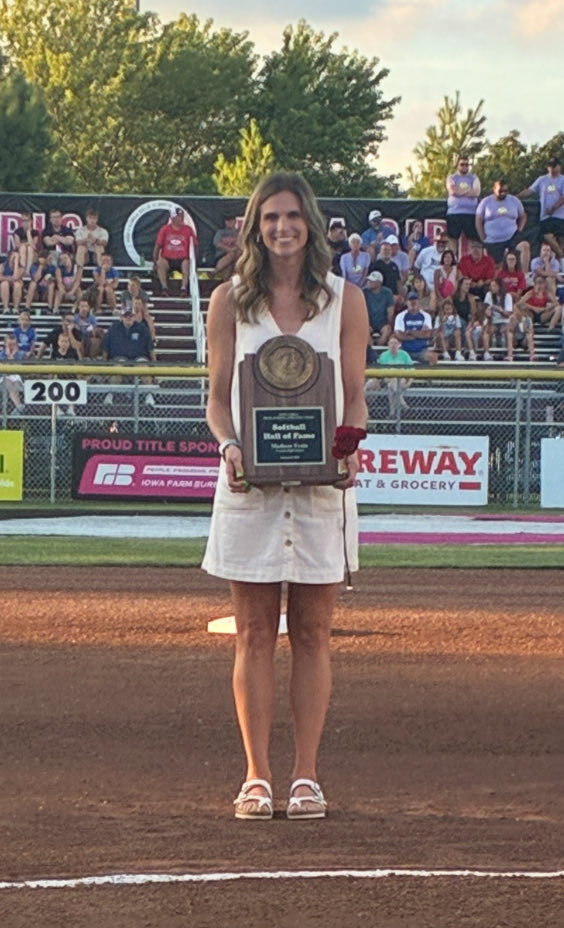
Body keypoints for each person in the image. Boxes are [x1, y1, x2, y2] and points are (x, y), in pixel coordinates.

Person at [202, 171, 367, 821]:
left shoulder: (344, 300)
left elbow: (354, 393)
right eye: (270, 217)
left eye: (293, 216)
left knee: (314, 631)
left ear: (311, 224)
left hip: (323, 490)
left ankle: (306, 776)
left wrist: (349, 443)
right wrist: (230, 447)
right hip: (249, 487)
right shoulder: (228, 302)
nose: (282, 227)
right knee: (251, 633)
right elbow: (218, 402)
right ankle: (256, 775)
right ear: (254, 226)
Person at [475, 178, 530, 271]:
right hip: (493, 240)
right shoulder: (485, 202)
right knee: (497, 267)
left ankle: (524, 277)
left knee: (524, 246)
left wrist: (519, 230)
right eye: (500, 191)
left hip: (512, 236)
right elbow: (478, 221)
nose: (503, 193)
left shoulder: (514, 200)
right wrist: (483, 238)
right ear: (494, 189)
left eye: (505, 191)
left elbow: (523, 216)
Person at [518, 157, 564, 259]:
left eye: (554, 166)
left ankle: (560, 264)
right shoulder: (542, 179)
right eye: (550, 166)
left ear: (559, 167)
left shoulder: (562, 180)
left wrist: (554, 207)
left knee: (561, 239)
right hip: (545, 216)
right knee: (547, 236)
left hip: (560, 216)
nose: (552, 168)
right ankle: (562, 257)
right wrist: (516, 197)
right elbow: (530, 190)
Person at [153, 207, 198, 298]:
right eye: (178, 216)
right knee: (161, 263)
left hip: (182, 259)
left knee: (186, 263)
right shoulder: (165, 229)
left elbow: (195, 246)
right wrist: (155, 260)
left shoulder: (188, 230)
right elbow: (158, 245)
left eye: (182, 216)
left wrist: (194, 261)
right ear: (173, 217)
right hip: (168, 258)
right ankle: (164, 288)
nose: (181, 218)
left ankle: (183, 288)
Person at [446, 154, 481, 251]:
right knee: (453, 238)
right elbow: (452, 191)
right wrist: (468, 190)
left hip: (471, 213)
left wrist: (460, 191)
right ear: (457, 165)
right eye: (462, 164)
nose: (465, 167)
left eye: (467, 165)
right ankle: (453, 261)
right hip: (454, 213)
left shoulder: (474, 177)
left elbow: (476, 192)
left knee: (472, 240)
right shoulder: (452, 178)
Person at [394, 291, 436, 363]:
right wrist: (419, 334)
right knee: (395, 356)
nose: (413, 302)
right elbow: (399, 334)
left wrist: (410, 332)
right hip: (405, 349)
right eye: (410, 300)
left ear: (419, 301)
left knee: (433, 357)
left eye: (415, 300)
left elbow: (427, 334)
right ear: (406, 302)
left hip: (422, 350)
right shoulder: (400, 316)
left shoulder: (426, 316)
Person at [378, 334, 414, 416]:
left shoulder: (404, 354)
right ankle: (402, 403)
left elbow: (412, 370)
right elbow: (383, 371)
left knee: (391, 387)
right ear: (388, 345)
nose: (393, 345)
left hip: (402, 380)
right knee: (392, 381)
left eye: (395, 343)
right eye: (391, 343)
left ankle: (392, 412)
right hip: (388, 379)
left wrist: (409, 383)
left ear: (399, 345)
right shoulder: (383, 355)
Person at [0, 333, 25, 414]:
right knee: (9, 382)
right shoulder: (1, 354)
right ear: (5, 344)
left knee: (16, 384)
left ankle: (18, 409)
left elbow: (18, 369)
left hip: (16, 377)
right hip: (3, 377)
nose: (11, 346)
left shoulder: (20, 354)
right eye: (9, 344)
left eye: (13, 344)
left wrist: (11, 356)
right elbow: (4, 370)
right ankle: (19, 407)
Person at [212, 214, 241, 280]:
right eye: (227, 221)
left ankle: (215, 272)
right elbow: (217, 243)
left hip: (237, 257)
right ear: (225, 222)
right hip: (222, 255)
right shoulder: (220, 232)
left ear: (235, 221)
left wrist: (234, 249)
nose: (229, 222)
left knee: (230, 263)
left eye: (231, 220)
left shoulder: (239, 232)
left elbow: (242, 244)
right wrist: (230, 249)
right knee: (231, 257)